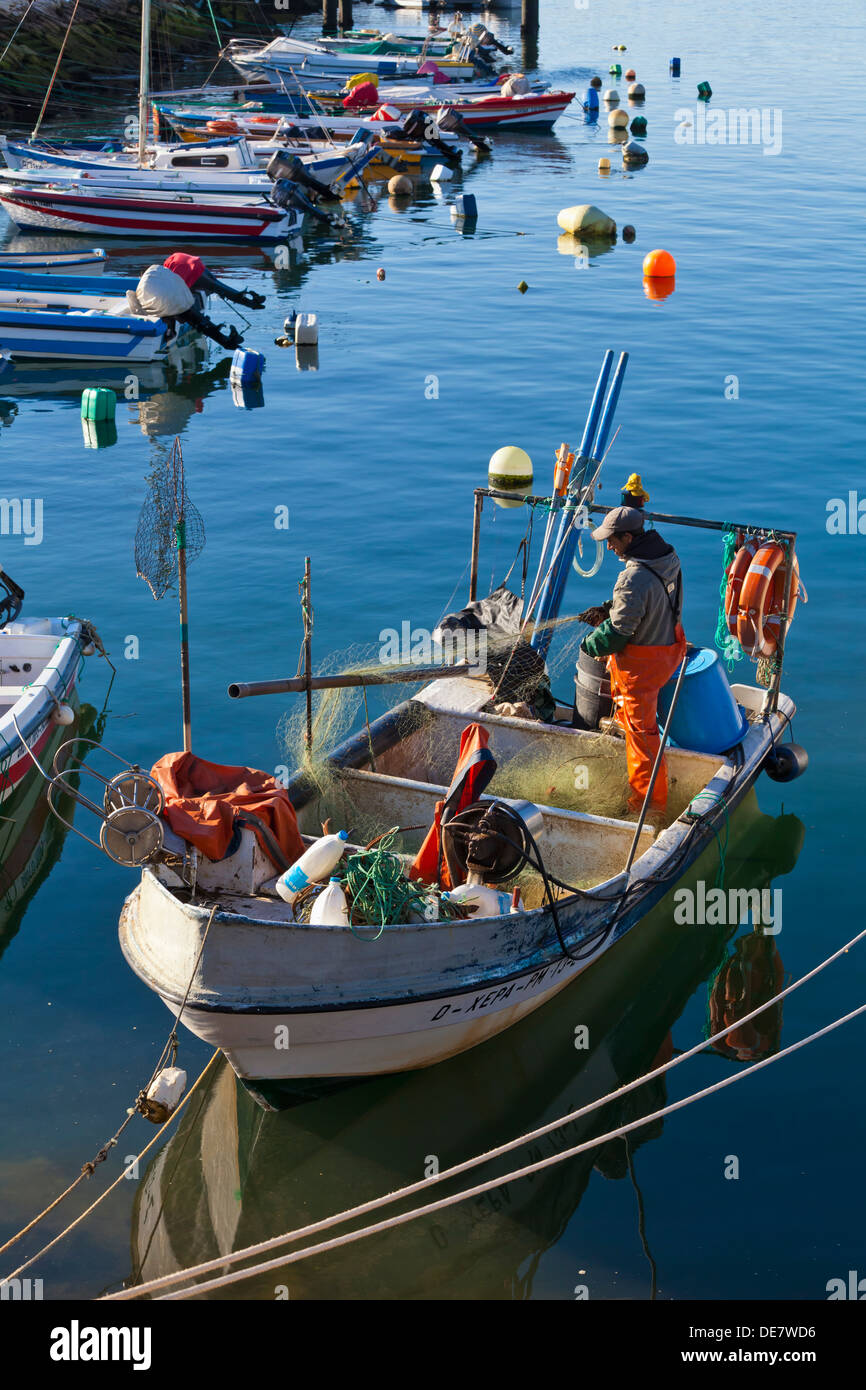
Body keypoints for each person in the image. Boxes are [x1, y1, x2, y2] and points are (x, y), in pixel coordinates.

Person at [577, 506, 686, 815]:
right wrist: (609, 608)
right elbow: (646, 601)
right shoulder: (667, 557)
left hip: (642, 667)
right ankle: (650, 789)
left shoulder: (632, 577)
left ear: (627, 537)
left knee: (643, 741)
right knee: (642, 728)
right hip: (668, 649)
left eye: (612, 541)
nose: (609, 547)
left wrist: (593, 642)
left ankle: (648, 807)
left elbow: (621, 630)